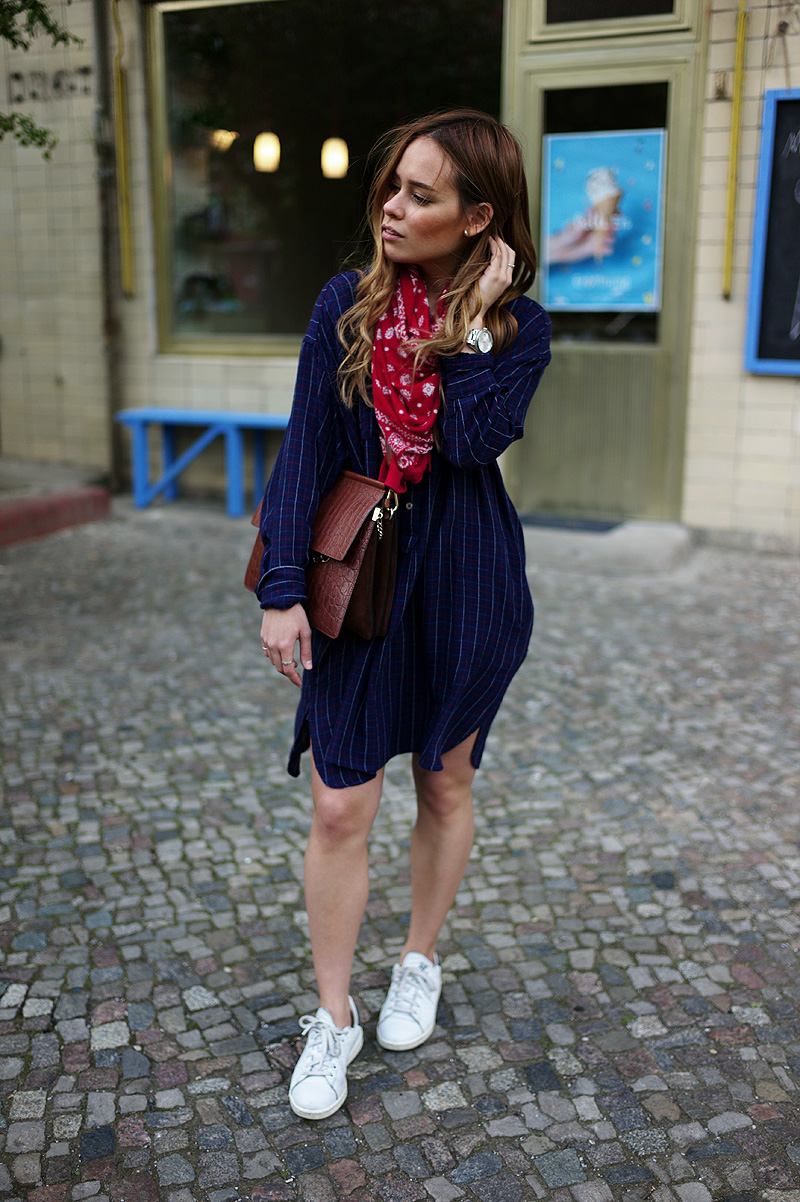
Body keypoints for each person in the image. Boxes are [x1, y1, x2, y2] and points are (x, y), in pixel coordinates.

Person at [256, 109, 551, 1121]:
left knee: (444, 779)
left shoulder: (518, 328)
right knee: (341, 802)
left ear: (478, 217)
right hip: (361, 578)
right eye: (392, 186)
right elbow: (303, 447)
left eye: (419, 194)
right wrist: (281, 587)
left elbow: (471, 440)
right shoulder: (345, 304)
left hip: (467, 581)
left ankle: (417, 957)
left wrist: (468, 328)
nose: (390, 205)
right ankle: (332, 1015)